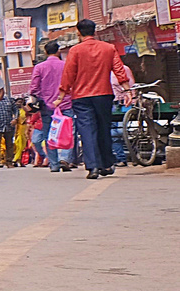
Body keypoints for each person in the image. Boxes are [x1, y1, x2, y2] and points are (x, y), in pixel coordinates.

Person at [56, 18, 133, 180]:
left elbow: (68, 74)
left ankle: (93, 167)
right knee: (104, 129)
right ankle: (106, 163)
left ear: (78, 32)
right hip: (103, 95)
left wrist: (61, 95)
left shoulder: (75, 51)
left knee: (87, 131)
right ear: (94, 31)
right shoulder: (108, 48)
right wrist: (127, 90)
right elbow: (119, 69)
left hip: (81, 97)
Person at [30, 40, 71, 171]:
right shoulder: (66, 65)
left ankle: (54, 164)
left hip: (47, 106)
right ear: (58, 51)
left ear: (45, 52)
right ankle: (65, 158)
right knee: (69, 131)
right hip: (66, 103)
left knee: (49, 134)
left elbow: (34, 88)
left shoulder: (39, 67)